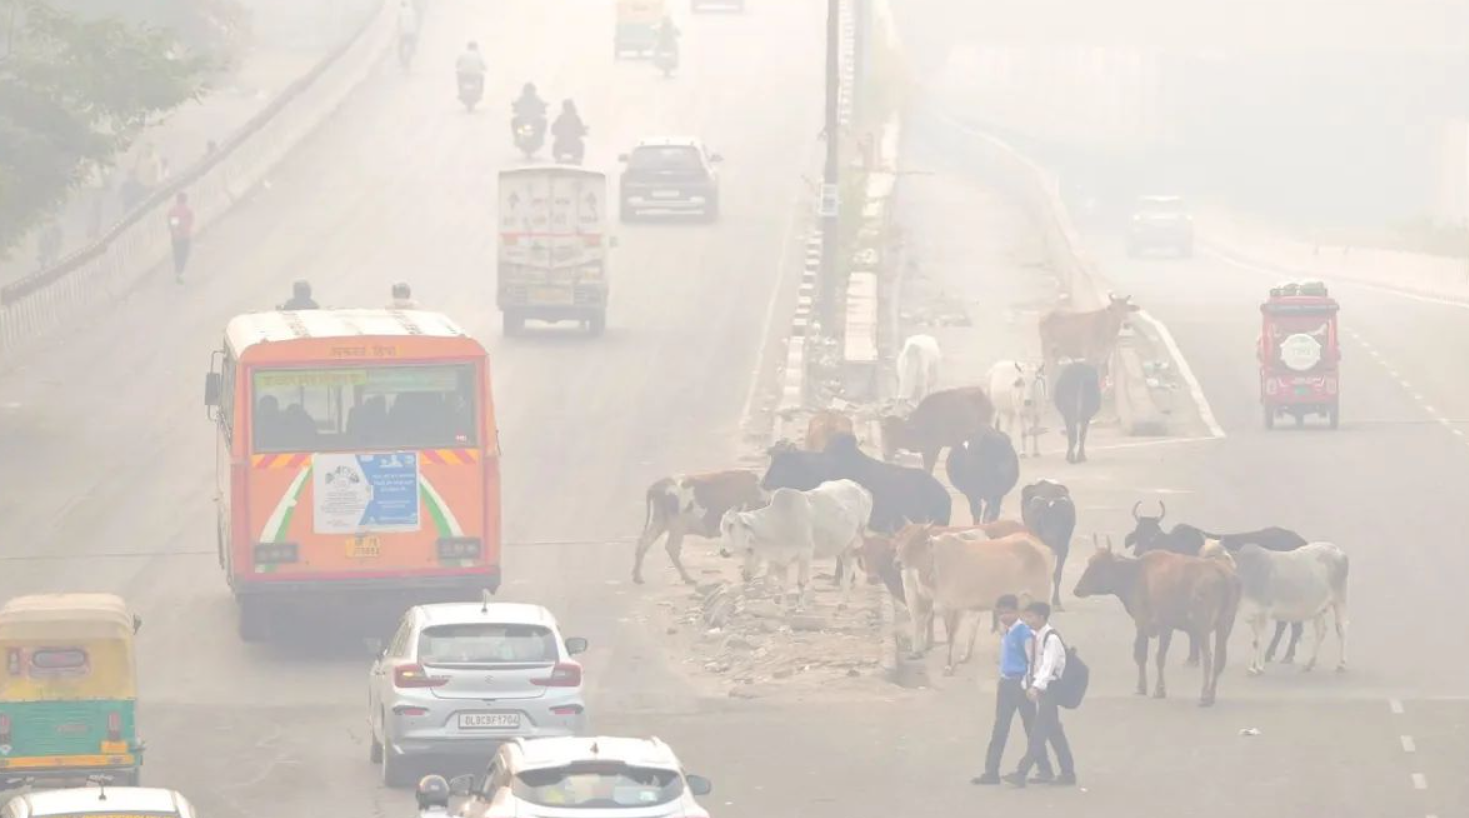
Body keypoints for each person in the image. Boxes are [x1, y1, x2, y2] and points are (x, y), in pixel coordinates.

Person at [972, 595, 1052, 785]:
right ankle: (991, 772)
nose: (1004, 616)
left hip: (1021, 685)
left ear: (1017, 612)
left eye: (1008, 612)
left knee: (1031, 728)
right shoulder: (1007, 632)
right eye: (1001, 613)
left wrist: (1032, 685)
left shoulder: (1024, 633)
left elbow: (1032, 661)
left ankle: (1044, 769)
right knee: (1000, 729)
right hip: (1006, 683)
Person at [1003, 602, 1076, 787]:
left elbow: (1048, 667)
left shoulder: (1051, 639)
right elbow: (1033, 664)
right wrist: (1027, 683)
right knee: (1055, 733)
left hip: (1049, 689)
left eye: (1031, 617)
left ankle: (1021, 772)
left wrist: (1036, 687)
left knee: (1038, 733)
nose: (1028, 620)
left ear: (1042, 617)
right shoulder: (1036, 636)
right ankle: (1068, 773)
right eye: (1026, 616)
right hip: (1042, 689)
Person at [167, 192, 195, 283]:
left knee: (177, 255)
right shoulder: (188, 210)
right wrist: (185, 230)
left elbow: (173, 223)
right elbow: (191, 222)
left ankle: (178, 272)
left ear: (177, 200)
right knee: (184, 254)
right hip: (185, 236)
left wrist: (176, 232)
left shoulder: (173, 211)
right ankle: (180, 272)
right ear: (186, 200)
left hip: (176, 237)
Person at [397, 0, 418, 64]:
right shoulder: (412, 10)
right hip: (412, 31)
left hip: (404, 32)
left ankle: (402, 61)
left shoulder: (401, 11)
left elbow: (399, 22)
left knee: (400, 47)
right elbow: (415, 21)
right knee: (410, 46)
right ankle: (408, 59)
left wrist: (399, 31)